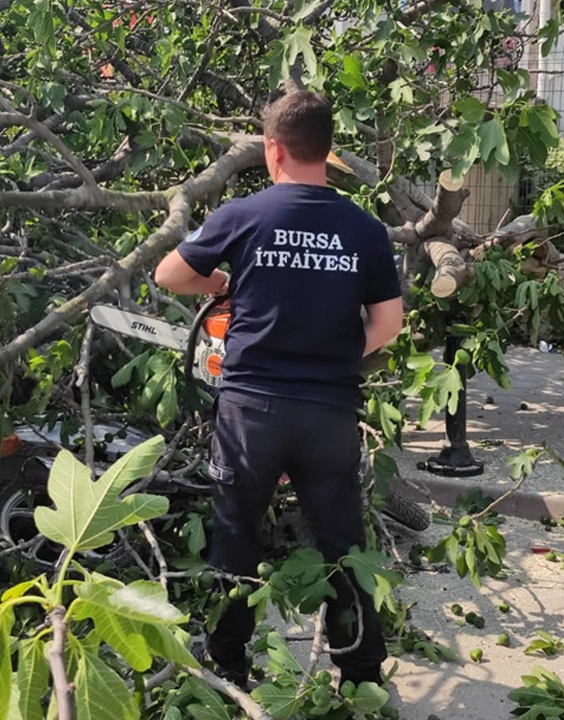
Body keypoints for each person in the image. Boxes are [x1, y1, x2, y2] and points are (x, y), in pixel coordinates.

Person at [154, 90, 404, 688]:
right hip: (328, 414)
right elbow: (388, 324)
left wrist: (223, 281)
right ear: (327, 150)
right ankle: (362, 676)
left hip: (250, 415)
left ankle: (230, 669)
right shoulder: (364, 228)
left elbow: (169, 273)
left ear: (273, 149)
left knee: (236, 539)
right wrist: (335, 355)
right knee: (343, 542)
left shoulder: (245, 215)